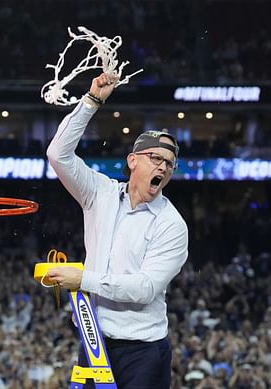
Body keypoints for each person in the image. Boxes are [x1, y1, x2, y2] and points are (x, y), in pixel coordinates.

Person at [46, 72, 188, 388]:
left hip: (143, 351)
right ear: (133, 160)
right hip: (93, 340)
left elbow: (145, 289)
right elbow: (57, 154)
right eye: (155, 158)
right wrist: (92, 101)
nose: (163, 167)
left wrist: (84, 279)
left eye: (169, 163)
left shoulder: (171, 224)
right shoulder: (100, 193)